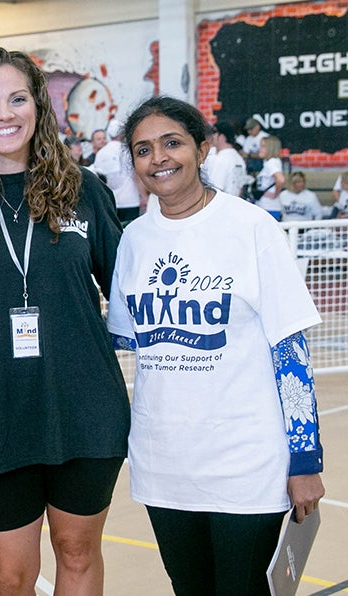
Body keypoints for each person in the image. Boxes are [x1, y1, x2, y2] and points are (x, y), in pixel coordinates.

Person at [108, 95, 324, 594]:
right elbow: (123, 338)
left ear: (202, 150)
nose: (158, 158)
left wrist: (306, 461)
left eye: (172, 143)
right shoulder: (134, 240)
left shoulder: (251, 228)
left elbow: (291, 354)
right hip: (164, 464)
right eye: (143, 150)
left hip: (245, 465)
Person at [0, 47, 128, 594]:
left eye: (17, 98)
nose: (5, 114)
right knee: (13, 576)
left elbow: (131, 291)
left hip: (86, 407)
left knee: (77, 554)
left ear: (39, 106)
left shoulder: (84, 189)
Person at [92, 119, 143, 225]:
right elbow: (137, 175)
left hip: (111, 203)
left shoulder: (101, 153)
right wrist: (144, 197)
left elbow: (98, 179)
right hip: (131, 201)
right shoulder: (128, 151)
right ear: (122, 133)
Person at [204, 122, 246, 198]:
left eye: (214, 132)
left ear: (222, 136)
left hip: (220, 204)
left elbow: (214, 189)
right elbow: (240, 189)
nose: (212, 136)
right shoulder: (239, 159)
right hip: (233, 203)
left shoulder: (221, 159)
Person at [254, 135, 285, 219]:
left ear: (270, 148)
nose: (260, 149)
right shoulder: (269, 162)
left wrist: (275, 194)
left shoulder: (272, 162)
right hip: (265, 206)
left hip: (269, 207)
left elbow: (280, 179)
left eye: (263, 146)